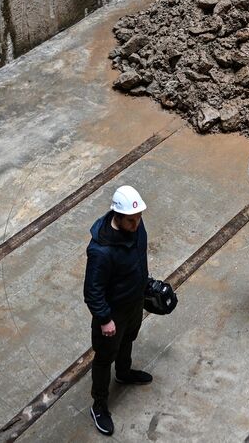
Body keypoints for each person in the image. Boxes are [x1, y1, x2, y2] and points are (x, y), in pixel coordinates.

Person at [83, 185, 153, 436]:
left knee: (128, 339)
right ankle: (99, 404)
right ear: (117, 217)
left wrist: (145, 285)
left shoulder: (136, 227)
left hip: (133, 302)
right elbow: (92, 291)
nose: (137, 224)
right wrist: (104, 319)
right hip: (113, 314)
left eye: (139, 218)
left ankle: (123, 373)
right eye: (132, 221)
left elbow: (139, 259)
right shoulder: (101, 251)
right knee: (104, 357)